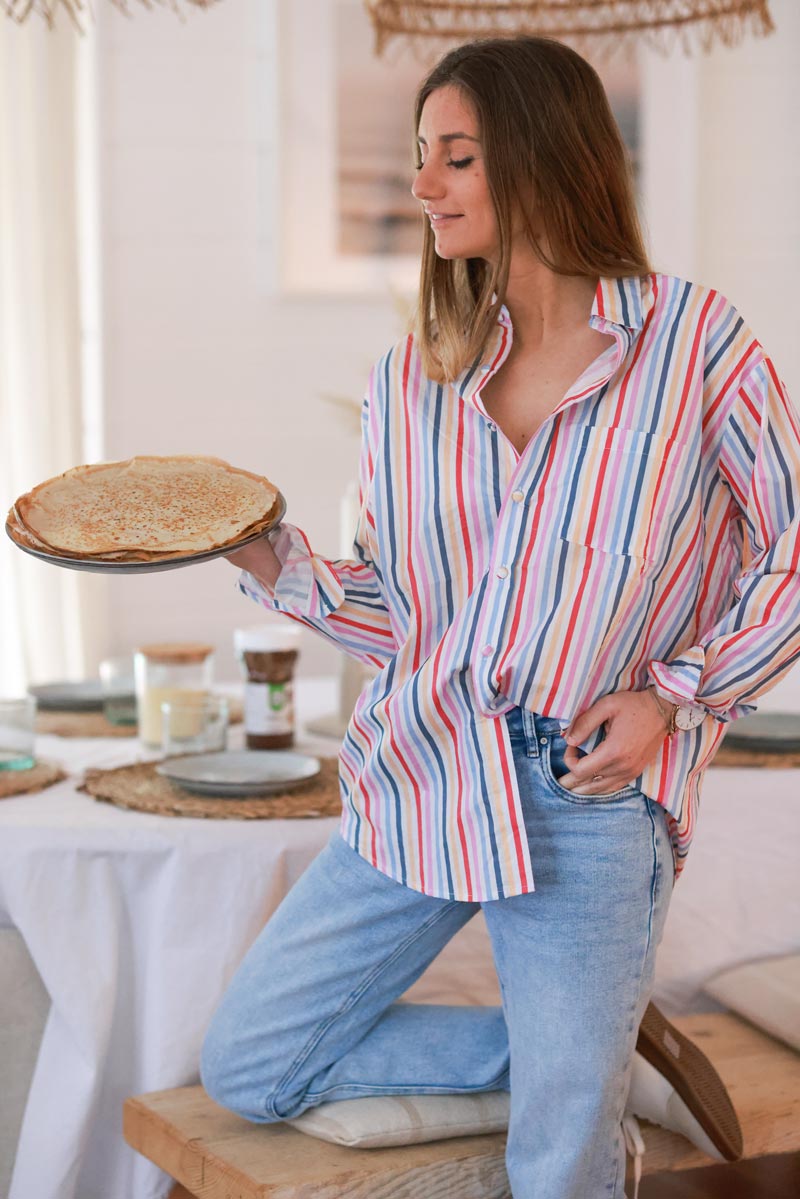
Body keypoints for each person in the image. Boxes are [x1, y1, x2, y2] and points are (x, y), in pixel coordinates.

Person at [201, 36, 800, 1198]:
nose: (421, 185)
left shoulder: (694, 343)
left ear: (542, 156)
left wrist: (678, 697)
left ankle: (576, 1065)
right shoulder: (409, 377)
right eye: (420, 156)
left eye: (455, 157)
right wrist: (267, 554)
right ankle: (588, 1047)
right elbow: (407, 615)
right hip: (431, 760)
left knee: (556, 1162)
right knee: (251, 1059)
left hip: (590, 783)